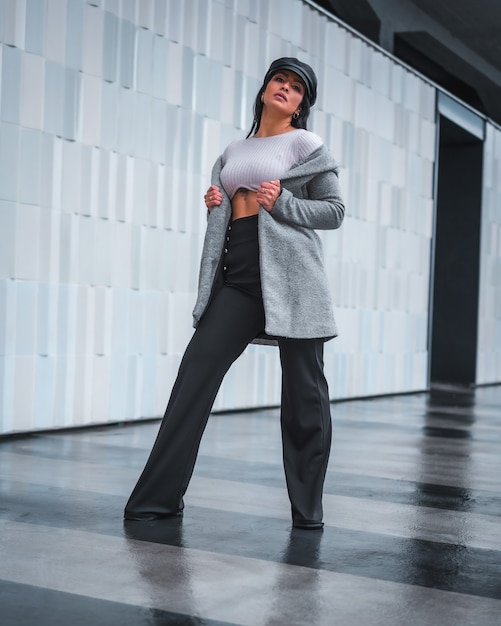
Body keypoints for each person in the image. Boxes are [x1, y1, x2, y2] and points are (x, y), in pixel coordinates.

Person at [124, 57, 345, 530]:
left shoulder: (306, 145)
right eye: (279, 80)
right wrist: (216, 207)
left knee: (305, 397)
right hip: (239, 276)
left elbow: (334, 210)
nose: (285, 88)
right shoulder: (233, 150)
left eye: (297, 87)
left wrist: (283, 201)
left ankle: (308, 511)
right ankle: (156, 499)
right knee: (194, 378)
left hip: (292, 280)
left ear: (302, 104)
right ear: (265, 88)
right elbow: (232, 210)